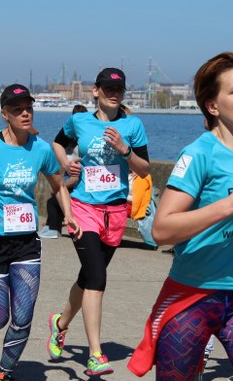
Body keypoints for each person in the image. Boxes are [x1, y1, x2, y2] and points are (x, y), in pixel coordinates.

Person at [127, 52, 233, 380]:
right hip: (193, 294)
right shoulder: (199, 154)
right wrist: (227, 206)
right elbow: (162, 229)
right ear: (213, 106)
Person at [0, 84, 81, 381]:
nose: (25, 113)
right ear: (4, 114)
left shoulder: (41, 148)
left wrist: (70, 215)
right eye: (17, 109)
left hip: (26, 242)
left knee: (22, 318)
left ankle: (4, 372)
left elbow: (58, 184)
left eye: (29, 108)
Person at [47, 68, 150, 376]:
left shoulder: (133, 125)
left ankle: (60, 324)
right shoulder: (80, 121)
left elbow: (144, 168)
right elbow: (57, 143)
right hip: (83, 208)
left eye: (119, 89)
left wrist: (124, 150)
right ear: (96, 91)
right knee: (97, 278)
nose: (113, 93)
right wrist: (66, 163)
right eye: (108, 88)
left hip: (115, 212)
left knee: (88, 277)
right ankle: (95, 354)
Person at [39, 104, 88, 239]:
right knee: (56, 197)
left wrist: (62, 186)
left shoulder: (80, 144)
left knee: (54, 200)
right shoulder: (73, 139)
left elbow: (77, 176)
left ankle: (53, 229)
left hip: (78, 181)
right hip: (72, 177)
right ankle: (50, 226)